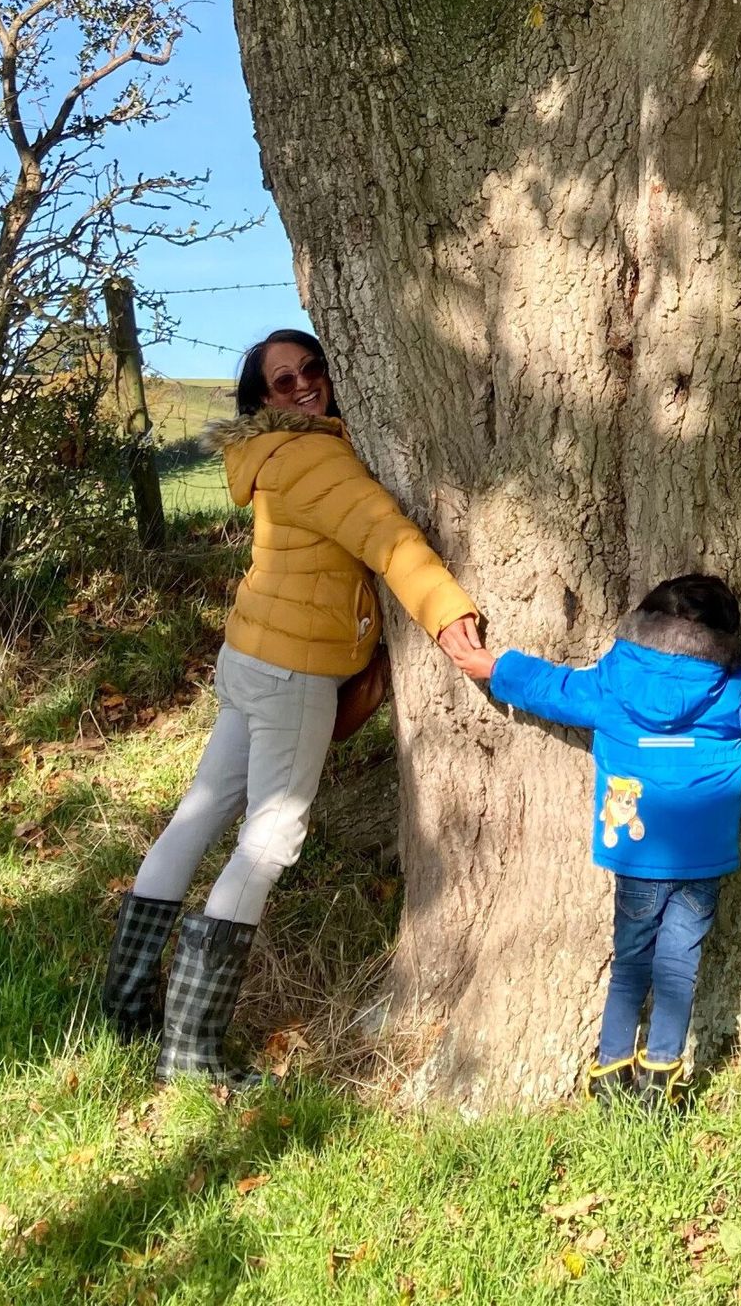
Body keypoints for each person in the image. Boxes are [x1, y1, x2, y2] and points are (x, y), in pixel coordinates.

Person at [99, 328, 487, 1082]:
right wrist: (445, 611)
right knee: (270, 837)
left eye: (314, 368)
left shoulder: (270, 452)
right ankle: (189, 1051)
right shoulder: (314, 455)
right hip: (292, 671)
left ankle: (128, 1005)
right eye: (284, 381)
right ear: (263, 399)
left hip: (251, 654)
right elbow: (385, 535)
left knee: (200, 814)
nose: (306, 384)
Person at [462, 574, 741, 1106]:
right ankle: (661, 1073)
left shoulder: (612, 686)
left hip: (636, 855)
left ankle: (611, 1066)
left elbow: (551, 688)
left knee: (631, 960)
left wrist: (495, 669)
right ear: (724, 642)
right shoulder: (730, 695)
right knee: (679, 962)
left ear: (642, 625)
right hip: (702, 857)